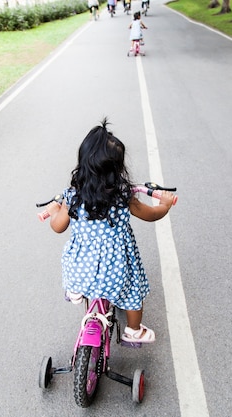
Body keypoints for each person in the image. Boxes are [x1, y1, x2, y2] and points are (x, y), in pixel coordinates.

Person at [46, 118, 175, 344]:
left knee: (76, 273)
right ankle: (134, 330)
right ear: (117, 170)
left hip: (79, 270)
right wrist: (164, 205)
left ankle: (76, 290)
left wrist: (57, 209)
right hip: (115, 270)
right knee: (132, 290)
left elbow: (57, 227)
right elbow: (151, 215)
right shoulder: (124, 197)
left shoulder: (73, 196)